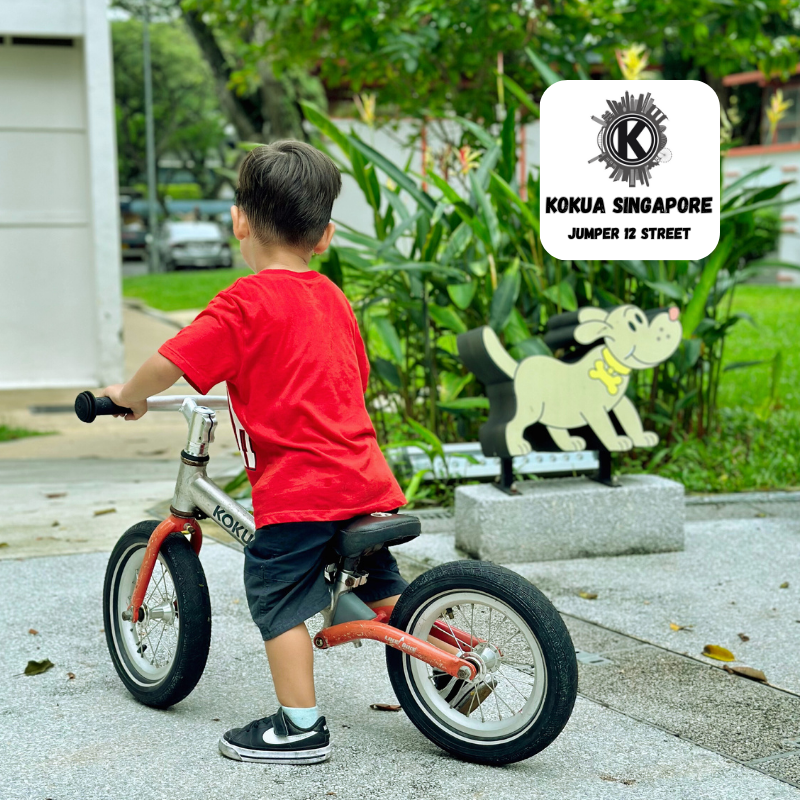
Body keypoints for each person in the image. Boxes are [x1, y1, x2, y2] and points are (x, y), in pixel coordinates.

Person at [99, 141, 409, 765]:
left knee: (273, 589)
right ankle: (449, 669)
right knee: (381, 588)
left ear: (239, 220)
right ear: (323, 236)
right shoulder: (333, 299)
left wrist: (126, 397)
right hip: (366, 479)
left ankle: (300, 728)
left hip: (301, 493)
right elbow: (357, 377)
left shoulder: (243, 305)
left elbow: (172, 362)